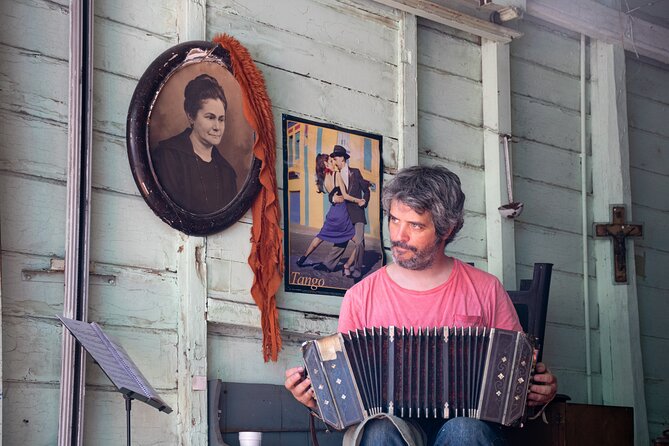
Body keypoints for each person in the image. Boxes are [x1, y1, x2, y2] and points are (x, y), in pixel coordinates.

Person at [285, 165, 558, 446]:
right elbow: (349, 402)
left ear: (446, 229)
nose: (399, 235)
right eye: (393, 219)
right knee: (378, 432)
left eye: (415, 225)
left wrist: (539, 392)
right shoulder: (360, 296)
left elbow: (516, 380)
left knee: (464, 432)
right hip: (391, 429)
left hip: (468, 429)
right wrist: (316, 401)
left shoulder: (486, 289)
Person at [152, 73, 237, 214]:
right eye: (210, 117)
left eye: (221, 119)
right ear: (191, 116)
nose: (217, 127)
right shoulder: (168, 157)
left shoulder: (227, 172)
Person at [297, 153, 365, 277]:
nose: (333, 161)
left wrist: (332, 197)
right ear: (325, 163)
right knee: (359, 242)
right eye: (330, 160)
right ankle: (348, 265)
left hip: (332, 212)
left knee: (319, 237)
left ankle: (303, 258)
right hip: (341, 213)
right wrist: (358, 200)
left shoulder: (322, 179)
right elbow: (344, 196)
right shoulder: (336, 174)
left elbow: (325, 192)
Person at [319, 145, 370, 278]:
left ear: (341, 158)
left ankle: (356, 268)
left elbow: (366, 189)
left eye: (334, 158)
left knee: (359, 242)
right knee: (341, 240)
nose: (333, 161)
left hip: (357, 212)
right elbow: (332, 193)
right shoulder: (334, 175)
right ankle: (329, 264)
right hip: (344, 213)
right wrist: (332, 198)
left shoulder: (356, 172)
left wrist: (364, 201)